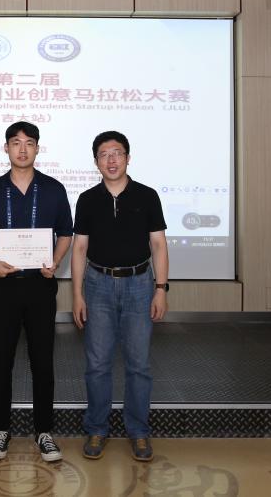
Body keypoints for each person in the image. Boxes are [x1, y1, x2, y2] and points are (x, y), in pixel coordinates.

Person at [0, 121, 73, 462]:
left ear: (38, 148)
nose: (23, 149)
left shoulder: (54, 189)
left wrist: (56, 260)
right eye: (16, 142)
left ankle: (44, 431)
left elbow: (66, 232)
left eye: (29, 143)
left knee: (43, 360)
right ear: (6, 148)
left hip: (41, 286)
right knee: (1, 359)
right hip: (4, 287)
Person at [71, 130, 169, 462]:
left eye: (117, 153)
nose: (111, 160)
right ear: (96, 161)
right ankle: (97, 428)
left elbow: (158, 244)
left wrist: (161, 289)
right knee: (97, 364)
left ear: (128, 157)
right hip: (97, 285)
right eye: (104, 154)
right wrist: (77, 295)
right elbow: (79, 248)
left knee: (138, 364)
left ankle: (139, 431)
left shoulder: (147, 195)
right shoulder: (87, 199)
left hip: (140, 285)